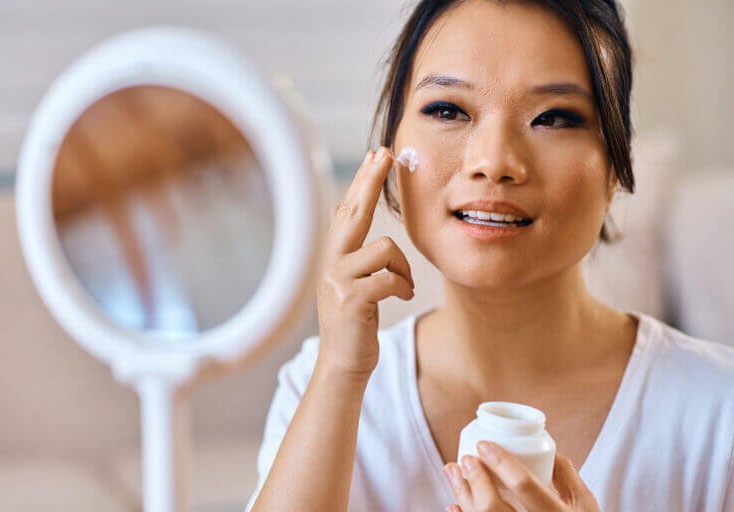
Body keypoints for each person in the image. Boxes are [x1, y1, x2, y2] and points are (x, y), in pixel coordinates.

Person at [246, 1, 734, 510]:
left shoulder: (719, 416)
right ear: (390, 146)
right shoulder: (321, 383)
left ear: (615, 168)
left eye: (553, 118)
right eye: (448, 110)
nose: (494, 162)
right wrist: (341, 372)